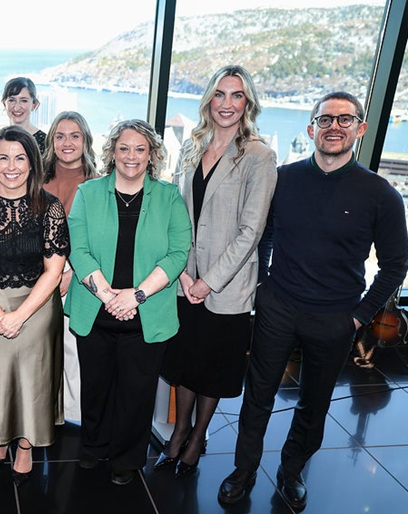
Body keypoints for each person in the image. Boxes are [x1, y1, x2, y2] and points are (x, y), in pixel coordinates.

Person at [218, 92, 408, 509]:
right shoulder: (282, 179)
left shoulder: (382, 195)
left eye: (345, 120)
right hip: (278, 307)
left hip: (336, 318)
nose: (334, 127)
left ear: (360, 129)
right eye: (325, 120)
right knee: (258, 396)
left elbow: (395, 266)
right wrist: (264, 287)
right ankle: (243, 470)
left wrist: (358, 316)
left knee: (314, 403)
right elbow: (262, 235)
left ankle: (291, 472)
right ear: (311, 130)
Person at [156, 65, 277, 479]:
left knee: (212, 368)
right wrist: (186, 276)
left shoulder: (259, 155)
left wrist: (209, 281)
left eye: (237, 95)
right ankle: (179, 433)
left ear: (248, 103)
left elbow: (252, 231)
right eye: (220, 95)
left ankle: (197, 439)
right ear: (209, 99)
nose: (227, 104)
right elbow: (179, 217)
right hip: (186, 281)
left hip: (225, 288)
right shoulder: (193, 148)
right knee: (185, 362)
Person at [65, 119, 190, 486]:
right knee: (96, 387)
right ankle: (93, 446)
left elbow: (178, 253)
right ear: (112, 152)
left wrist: (135, 296)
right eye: (124, 148)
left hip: (146, 313)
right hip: (97, 309)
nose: (131, 156)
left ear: (151, 154)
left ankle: (127, 458)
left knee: (136, 392)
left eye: (140, 148)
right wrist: (108, 296)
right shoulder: (89, 193)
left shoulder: (168, 197)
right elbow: (79, 248)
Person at [0, 125, 69, 486]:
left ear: (32, 163)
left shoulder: (49, 208)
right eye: (3, 157)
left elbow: (54, 271)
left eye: (20, 158)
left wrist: (19, 316)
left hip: (36, 306)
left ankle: (25, 445)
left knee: (33, 381)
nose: (11, 166)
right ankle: (1, 439)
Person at [42, 111, 99, 422]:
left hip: (77, 278)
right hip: (38, 276)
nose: (67, 142)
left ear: (85, 140)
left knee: (71, 349)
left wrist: (70, 273)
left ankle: (71, 414)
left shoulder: (99, 183)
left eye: (74, 135)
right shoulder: (37, 177)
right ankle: (44, 410)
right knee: (40, 351)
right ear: (52, 141)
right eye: (60, 136)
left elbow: (97, 238)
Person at [0, 77, 47, 155]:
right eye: (12, 100)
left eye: (24, 101)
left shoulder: (45, 141)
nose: (17, 107)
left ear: (34, 105)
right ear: (4, 103)